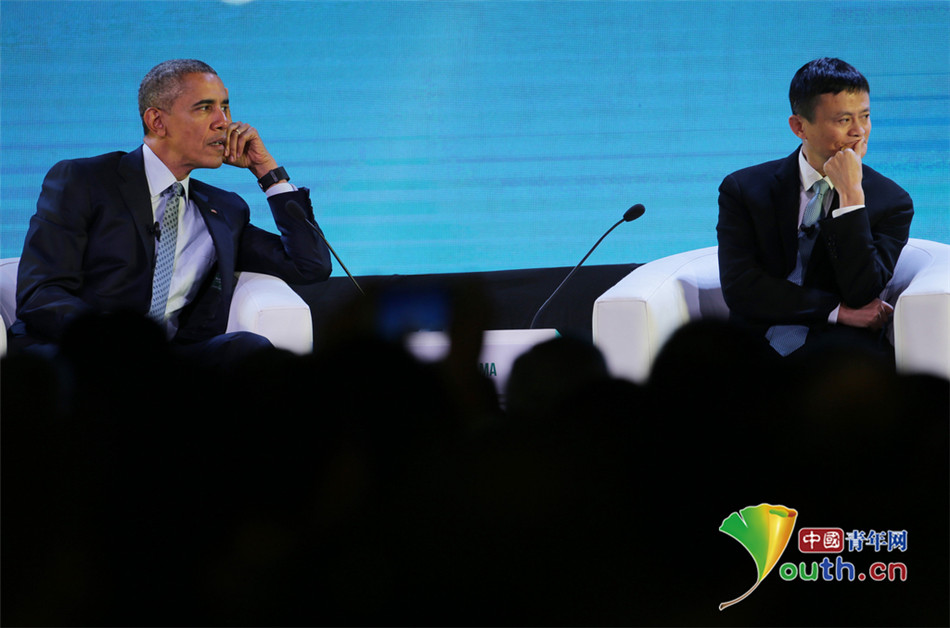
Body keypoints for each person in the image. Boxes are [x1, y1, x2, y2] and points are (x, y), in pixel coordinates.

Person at [10, 59, 331, 363]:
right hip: (87, 352)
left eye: (225, 106)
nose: (223, 122)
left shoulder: (224, 209)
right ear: (157, 121)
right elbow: (40, 293)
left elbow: (309, 265)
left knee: (247, 349)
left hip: (168, 361)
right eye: (205, 108)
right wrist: (117, 340)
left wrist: (269, 174)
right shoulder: (85, 181)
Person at [716, 57, 913, 361]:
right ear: (799, 127)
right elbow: (740, 287)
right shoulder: (743, 189)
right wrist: (835, 310)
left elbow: (862, 292)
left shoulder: (892, 201)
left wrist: (851, 197)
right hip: (752, 348)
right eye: (843, 120)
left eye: (865, 116)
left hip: (840, 356)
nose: (859, 131)